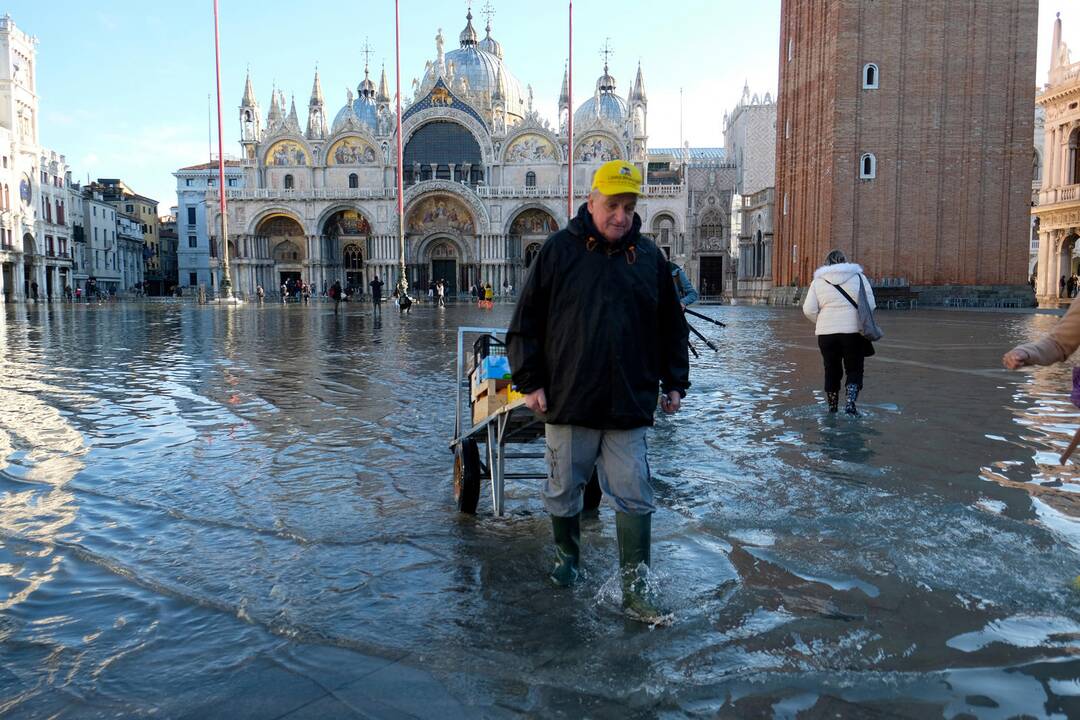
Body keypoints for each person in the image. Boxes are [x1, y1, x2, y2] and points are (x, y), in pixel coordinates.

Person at [507, 159, 689, 623]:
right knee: (565, 488)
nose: (621, 216)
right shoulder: (557, 251)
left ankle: (636, 589)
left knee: (635, 491)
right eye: (613, 205)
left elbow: (672, 325)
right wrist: (530, 382)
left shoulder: (648, 257)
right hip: (569, 398)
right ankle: (567, 561)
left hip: (629, 400)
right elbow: (525, 323)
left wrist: (675, 382)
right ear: (591, 202)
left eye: (629, 207)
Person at [802, 249, 876, 416]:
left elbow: (808, 309)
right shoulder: (858, 277)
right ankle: (850, 404)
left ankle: (833, 407)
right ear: (845, 262)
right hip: (853, 332)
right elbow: (870, 305)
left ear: (826, 262)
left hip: (826, 335)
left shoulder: (818, 281)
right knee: (854, 369)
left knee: (831, 370)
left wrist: (821, 321)